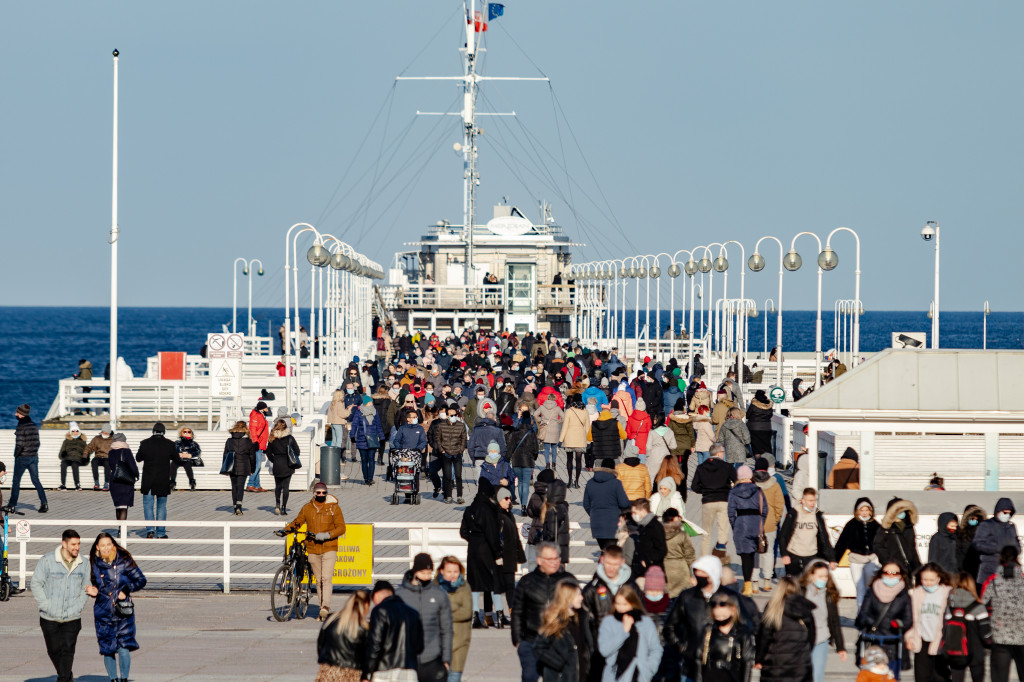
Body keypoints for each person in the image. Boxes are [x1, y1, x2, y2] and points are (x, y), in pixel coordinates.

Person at [85, 532, 147, 682]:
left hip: (122, 610)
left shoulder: (124, 560)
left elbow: (141, 580)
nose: (106, 548)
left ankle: (124, 679)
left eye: (109, 544)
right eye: (103, 545)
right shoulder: (93, 564)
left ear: (113, 545)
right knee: (108, 649)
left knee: (123, 646)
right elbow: (92, 585)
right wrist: (92, 591)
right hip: (103, 611)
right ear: (97, 548)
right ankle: (113, 679)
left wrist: (126, 590)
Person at [284, 482, 347, 620]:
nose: (321, 495)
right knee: (318, 580)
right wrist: (286, 530)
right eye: (318, 493)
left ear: (326, 493)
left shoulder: (334, 508)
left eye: (323, 493)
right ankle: (321, 610)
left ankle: (325, 607)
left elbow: (341, 528)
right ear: (314, 493)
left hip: (329, 546)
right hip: (312, 547)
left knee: (326, 578)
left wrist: (327, 535)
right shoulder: (307, 508)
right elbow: (298, 521)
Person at [32, 529, 89, 682]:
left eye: (78, 544)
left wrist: (78, 606)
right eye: (73, 544)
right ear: (64, 544)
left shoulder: (84, 563)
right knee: (54, 650)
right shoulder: (48, 560)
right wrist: (46, 605)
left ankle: (63, 678)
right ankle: (67, 675)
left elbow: (87, 587)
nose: (77, 547)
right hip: (49, 616)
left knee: (68, 651)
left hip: (72, 617)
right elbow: (36, 583)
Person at [511, 542, 572, 682]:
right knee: (530, 676)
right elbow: (518, 612)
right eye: (550, 559)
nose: (555, 563)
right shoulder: (527, 582)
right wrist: (518, 640)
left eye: (557, 558)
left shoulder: (567, 580)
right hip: (532, 639)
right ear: (539, 561)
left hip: (559, 640)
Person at [582, 544, 637, 681]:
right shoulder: (592, 589)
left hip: (627, 648)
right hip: (601, 648)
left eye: (615, 564)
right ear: (602, 560)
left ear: (622, 563)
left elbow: (641, 616)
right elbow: (583, 622)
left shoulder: (631, 587)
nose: (611, 568)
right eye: (608, 564)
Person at [396, 553, 453, 682]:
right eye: (423, 572)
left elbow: (447, 629)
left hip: (432, 659)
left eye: (429, 573)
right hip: (406, 660)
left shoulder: (439, 595)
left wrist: (446, 660)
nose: (427, 577)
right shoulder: (400, 595)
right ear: (415, 571)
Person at [855, 562, 913, 677]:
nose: (891, 576)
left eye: (895, 573)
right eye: (887, 572)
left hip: (893, 643)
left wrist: (899, 624)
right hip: (873, 642)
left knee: (891, 677)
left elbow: (909, 619)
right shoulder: (872, 591)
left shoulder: (904, 595)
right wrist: (867, 621)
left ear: (901, 576)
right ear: (881, 574)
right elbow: (863, 614)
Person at [596, 583, 663, 682]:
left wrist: (648, 669)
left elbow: (656, 649)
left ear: (633, 604)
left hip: (640, 676)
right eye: (618, 604)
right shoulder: (609, 621)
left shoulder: (645, 622)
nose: (621, 608)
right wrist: (624, 632)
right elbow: (604, 650)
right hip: (614, 676)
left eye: (625, 604)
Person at [460, 478, 503, 629]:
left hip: (472, 549)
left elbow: (463, 532)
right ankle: (498, 615)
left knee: (474, 584)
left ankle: (474, 617)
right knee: (492, 582)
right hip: (486, 550)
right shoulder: (488, 509)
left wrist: (473, 539)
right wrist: (498, 553)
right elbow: (492, 534)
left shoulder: (470, 509)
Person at [754, 576, 815, 682]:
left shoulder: (773, 608)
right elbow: (812, 635)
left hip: (776, 664)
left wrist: (759, 658)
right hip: (800, 663)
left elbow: (764, 636)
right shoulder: (804, 607)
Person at [363, 580, 424, 682]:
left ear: (376, 595)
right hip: (409, 670)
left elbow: (375, 645)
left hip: (384, 670)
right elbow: (419, 647)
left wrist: (367, 673)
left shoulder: (380, 611)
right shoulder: (413, 613)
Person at [533, 580, 594, 682]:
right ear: (568, 598)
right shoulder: (555, 622)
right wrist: (559, 664)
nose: (582, 598)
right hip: (562, 677)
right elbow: (538, 649)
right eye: (578, 595)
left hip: (583, 675)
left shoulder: (583, 619)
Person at [981, 546, 1024, 682]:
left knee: (999, 676)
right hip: (1022, 634)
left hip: (1000, 634)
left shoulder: (993, 580)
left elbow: (982, 603)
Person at [799, 560, 847, 682]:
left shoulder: (829, 595)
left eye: (826, 576)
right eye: (820, 576)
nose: (824, 579)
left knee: (817, 676)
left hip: (821, 639)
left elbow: (834, 621)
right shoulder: (801, 592)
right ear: (810, 575)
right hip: (802, 640)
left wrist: (840, 647)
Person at [906, 562, 952, 682]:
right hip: (922, 639)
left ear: (939, 578)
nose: (928, 582)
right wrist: (910, 637)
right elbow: (912, 618)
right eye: (925, 579)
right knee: (922, 676)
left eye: (931, 580)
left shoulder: (947, 592)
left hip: (941, 640)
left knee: (940, 676)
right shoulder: (916, 593)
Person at [696, 590, 755, 682]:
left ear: (733, 611)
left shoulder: (742, 632)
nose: (720, 619)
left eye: (723, 616)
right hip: (711, 676)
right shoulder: (709, 631)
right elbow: (699, 658)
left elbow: (747, 661)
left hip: (733, 676)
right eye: (717, 616)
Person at [835, 497, 882, 610]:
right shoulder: (851, 525)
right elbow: (842, 543)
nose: (865, 513)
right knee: (860, 588)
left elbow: (882, 544)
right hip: (856, 560)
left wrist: (884, 560)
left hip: (871, 560)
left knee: (869, 587)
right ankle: (861, 613)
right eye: (862, 510)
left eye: (867, 510)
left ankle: (870, 612)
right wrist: (835, 559)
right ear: (857, 511)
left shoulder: (875, 525)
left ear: (871, 511)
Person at [690, 443, 736, 558]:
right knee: (723, 532)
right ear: (719, 453)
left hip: (708, 501)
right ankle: (720, 555)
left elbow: (694, 486)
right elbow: (737, 481)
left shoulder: (701, 467)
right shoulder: (727, 467)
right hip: (724, 500)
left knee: (706, 532)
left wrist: (705, 491)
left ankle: (704, 558)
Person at [728, 465, 768, 596]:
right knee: (752, 554)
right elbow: (765, 509)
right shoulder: (758, 490)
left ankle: (748, 585)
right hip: (756, 523)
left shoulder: (734, 492)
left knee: (745, 556)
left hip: (741, 522)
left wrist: (735, 525)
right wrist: (760, 522)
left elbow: (730, 512)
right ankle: (750, 583)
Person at [943, 572, 990, 682]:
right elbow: (985, 634)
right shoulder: (978, 607)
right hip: (976, 652)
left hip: (955, 650)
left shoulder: (948, 606)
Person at [778, 488, 836, 577]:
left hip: (811, 555)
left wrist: (831, 558)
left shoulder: (817, 515)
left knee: (809, 586)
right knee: (795, 586)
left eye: (814, 500)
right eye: (810, 501)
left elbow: (824, 538)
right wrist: (784, 554)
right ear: (803, 501)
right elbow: (783, 535)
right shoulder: (794, 513)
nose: (813, 503)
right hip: (794, 555)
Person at [317, 590, 371, 682]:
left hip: (328, 671)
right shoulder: (362, 627)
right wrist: (365, 675)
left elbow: (320, 645)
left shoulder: (331, 619)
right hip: (351, 673)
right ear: (365, 605)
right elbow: (366, 655)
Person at [434, 557, 472, 682]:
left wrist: (444, 611)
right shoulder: (434, 587)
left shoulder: (464, 587)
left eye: (455, 572)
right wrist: (455, 607)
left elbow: (466, 612)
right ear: (442, 571)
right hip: (437, 643)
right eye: (449, 571)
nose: (452, 575)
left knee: (454, 677)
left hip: (459, 642)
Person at [135, 422, 176, 539]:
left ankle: (150, 531)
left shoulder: (145, 443)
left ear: (153, 431)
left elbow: (138, 458)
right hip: (163, 480)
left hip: (148, 480)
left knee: (148, 505)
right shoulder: (169, 444)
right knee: (161, 507)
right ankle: (161, 533)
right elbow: (176, 458)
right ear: (164, 432)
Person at [5, 403, 48, 513]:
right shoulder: (34, 425)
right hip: (33, 457)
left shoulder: (21, 426)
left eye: (17, 413)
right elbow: (37, 443)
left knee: (16, 481)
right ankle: (44, 503)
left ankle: (12, 505)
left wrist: (16, 455)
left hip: (22, 457)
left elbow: (20, 444)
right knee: (36, 480)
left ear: (22, 414)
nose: (15, 414)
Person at [583, 458, 631, 549]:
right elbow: (624, 503)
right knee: (612, 553)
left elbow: (586, 504)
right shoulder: (616, 483)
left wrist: (594, 513)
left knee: (604, 550)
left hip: (596, 523)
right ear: (613, 469)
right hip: (613, 523)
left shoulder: (590, 483)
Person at [971, 497, 1020, 586]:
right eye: (1005, 513)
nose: (1007, 515)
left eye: (1009, 513)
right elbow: (977, 544)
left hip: (1009, 568)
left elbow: (1017, 543)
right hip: (990, 568)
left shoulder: (1011, 527)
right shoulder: (986, 525)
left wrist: (1016, 550)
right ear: (998, 511)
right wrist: (996, 548)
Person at [497, 487, 527, 621]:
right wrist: (498, 555)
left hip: (510, 556)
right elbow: (496, 537)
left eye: (510, 498)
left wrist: (520, 554)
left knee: (510, 586)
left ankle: (513, 612)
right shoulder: (498, 516)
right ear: (499, 500)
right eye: (506, 498)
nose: (509, 501)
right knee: (499, 587)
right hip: (502, 556)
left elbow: (515, 537)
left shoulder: (509, 515)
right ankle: (499, 613)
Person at [874, 497, 922, 575]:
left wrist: (917, 566)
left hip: (909, 568)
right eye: (898, 510)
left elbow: (912, 548)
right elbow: (878, 546)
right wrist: (888, 562)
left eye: (902, 510)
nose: (901, 512)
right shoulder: (885, 528)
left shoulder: (909, 527)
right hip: (893, 569)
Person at [435, 405, 468, 504]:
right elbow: (438, 438)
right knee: (447, 476)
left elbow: (464, 438)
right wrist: (442, 450)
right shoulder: (441, 425)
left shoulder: (460, 425)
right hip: (446, 453)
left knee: (458, 475)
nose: (454, 416)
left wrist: (461, 450)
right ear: (447, 416)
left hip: (457, 453)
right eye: (452, 415)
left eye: (455, 415)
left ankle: (459, 496)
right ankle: (449, 496)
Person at [265, 418, 299, 515]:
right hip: (288, 465)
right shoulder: (289, 438)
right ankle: (284, 508)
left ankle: (277, 504)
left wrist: (273, 459)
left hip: (277, 464)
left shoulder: (272, 438)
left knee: (278, 486)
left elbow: (268, 452)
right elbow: (297, 451)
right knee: (286, 487)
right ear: (285, 428)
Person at [222, 421, 256, 516]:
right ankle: (239, 505)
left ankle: (234, 506)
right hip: (244, 466)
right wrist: (252, 469)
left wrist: (225, 468)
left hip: (232, 466)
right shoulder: (249, 441)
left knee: (234, 486)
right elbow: (252, 457)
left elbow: (225, 454)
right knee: (240, 486)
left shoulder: (229, 440)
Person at [350, 395, 385, 486]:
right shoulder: (359, 413)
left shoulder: (375, 412)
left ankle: (370, 478)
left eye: (371, 403)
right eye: (369, 403)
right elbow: (354, 425)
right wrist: (352, 436)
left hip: (372, 439)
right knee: (364, 460)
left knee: (371, 459)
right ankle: (365, 478)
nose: (371, 404)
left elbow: (378, 425)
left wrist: (381, 437)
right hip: (362, 439)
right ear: (365, 403)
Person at [507, 414, 539, 501]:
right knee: (525, 483)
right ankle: (524, 505)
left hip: (516, 461)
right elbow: (536, 449)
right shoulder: (532, 434)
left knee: (520, 482)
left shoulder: (515, 433)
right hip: (528, 462)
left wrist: (508, 458)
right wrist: (534, 458)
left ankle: (521, 500)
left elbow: (510, 447)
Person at [560, 397, 590, 488]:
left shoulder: (569, 411)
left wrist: (561, 439)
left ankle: (569, 481)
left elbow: (565, 426)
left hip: (569, 437)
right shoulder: (585, 411)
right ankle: (577, 481)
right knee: (579, 460)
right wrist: (588, 440)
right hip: (580, 437)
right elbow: (587, 427)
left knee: (569, 459)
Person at [631, 498, 667, 575]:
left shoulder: (654, 526)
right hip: (641, 569)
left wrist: (648, 560)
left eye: (635, 512)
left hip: (653, 570)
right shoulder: (642, 526)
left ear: (643, 511)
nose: (633, 515)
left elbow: (662, 549)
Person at [956, 506, 986, 581]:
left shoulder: (985, 534)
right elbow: (958, 554)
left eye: (977, 519)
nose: (974, 521)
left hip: (980, 571)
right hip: (965, 571)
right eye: (972, 519)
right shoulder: (961, 534)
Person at [247, 400, 271, 492]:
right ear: (262, 408)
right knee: (257, 466)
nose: (267, 409)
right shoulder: (255, 416)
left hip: (261, 444)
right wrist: (255, 442)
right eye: (265, 407)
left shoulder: (261, 415)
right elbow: (253, 430)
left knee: (258, 466)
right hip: (257, 444)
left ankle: (257, 485)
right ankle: (250, 484)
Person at [536, 392, 564, 470]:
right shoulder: (557, 408)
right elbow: (563, 417)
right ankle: (554, 463)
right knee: (554, 447)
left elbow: (535, 415)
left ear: (547, 398)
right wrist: (558, 421)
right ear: (554, 399)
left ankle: (547, 463)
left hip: (545, 428)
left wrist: (541, 420)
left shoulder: (542, 407)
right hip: (554, 429)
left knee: (546, 448)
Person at [928, 512, 960, 576]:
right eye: (951, 526)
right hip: (942, 574)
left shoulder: (957, 537)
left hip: (956, 574)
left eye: (955, 526)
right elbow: (933, 558)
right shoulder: (937, 538)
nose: (954, 528)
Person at [58, 422, 87, 490]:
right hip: (68, 458)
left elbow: (86, 451)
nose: (75, 432)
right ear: (70, 432)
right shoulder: (66, 441)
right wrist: (63, 454)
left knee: (74, 465)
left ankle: (77, 484)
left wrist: (85, 458)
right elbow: (60, 454)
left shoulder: (82, 441)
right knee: (63, 464)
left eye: (77, 431)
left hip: (77, 458)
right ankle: (63, 484)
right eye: (73, 431)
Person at [85, 423, 114, 490]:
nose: (104, 433)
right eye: (103, 431)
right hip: (98, 456)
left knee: (107, 464)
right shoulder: (97, 438)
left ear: (109, 432)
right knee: (94, 462)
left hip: (107, 457)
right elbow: (89, 447)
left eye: (106, 432)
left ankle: (107, 483)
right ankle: (96, 482)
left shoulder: (113, 439)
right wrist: (85, 456)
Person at [170, 426, 200, 492]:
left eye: (189, 432)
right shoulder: (177, 443)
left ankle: (192, 482)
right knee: (173, 465)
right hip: (178, 459)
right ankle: (172, 482)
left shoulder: (194, 444)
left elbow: (198, 451)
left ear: (192, 434)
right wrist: (178, 454)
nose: (187, 433)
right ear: (181, 433)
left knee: (187, 465)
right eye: (185, 432)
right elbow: (172, 451)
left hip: (188, 460)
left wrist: (190, 454)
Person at [745, 390, 774, 457]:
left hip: (754, 428)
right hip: (766, 428)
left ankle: (758, 463)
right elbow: (770, 415)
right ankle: (769, 463)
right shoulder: (768, 405)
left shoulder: (753, 405)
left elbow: (747, 415)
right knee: (767, 446)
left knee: (756, 447)